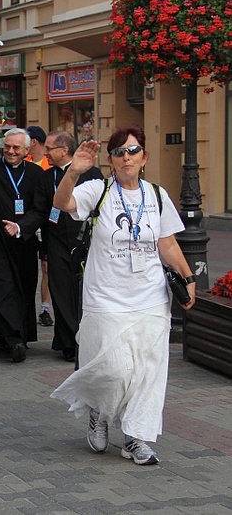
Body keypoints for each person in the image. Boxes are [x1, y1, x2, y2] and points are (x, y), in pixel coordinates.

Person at [50, 126, 195, 465]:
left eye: (133, 151)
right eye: (118, 152)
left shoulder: (157, 196)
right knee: (114, 370)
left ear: (144, 158)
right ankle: (98, 413)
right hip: (106, 298)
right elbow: (62, 203)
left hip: (151, 298)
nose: (126, 157)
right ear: (110, 160)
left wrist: (188, 277)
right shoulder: (97, 190)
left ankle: (136, 437)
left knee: (147, 373)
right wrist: (74, 170)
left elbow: (167, 243)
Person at [0, 128, 43, 363]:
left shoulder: (36, 174)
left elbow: (40, 209)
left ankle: (17, 336)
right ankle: (13, 339)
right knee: (1, 287)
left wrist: (21, 226)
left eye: (16, 148)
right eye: (7, 146)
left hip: (23, 241)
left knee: (24, 289)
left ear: (27, 150)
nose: (11, 151)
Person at [35, 131, 103, 361]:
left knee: (83, 291)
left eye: (50, 149)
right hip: (56, 242)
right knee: (61, 291)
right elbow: (41, 212)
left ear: (64, 150)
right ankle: (68, 342)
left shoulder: (93, 175)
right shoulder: (46, 178)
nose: (46, 153)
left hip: (83, 241)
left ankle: (86, 340)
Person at [24, 125, 54, 327]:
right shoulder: (21, 162)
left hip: (46, 220)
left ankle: (45, 308)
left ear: (32, 142)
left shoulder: (48, 163)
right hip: (25, 221)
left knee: (46, 266)